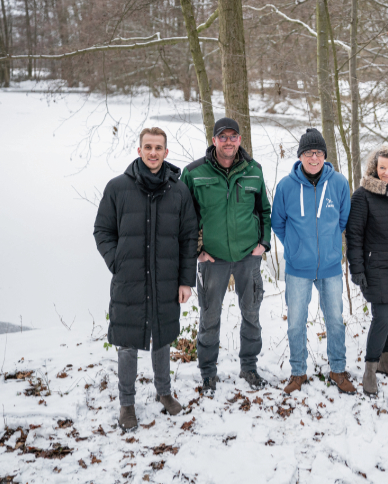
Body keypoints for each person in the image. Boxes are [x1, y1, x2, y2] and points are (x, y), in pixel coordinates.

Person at [94, 127, 198, 431]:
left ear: (166, 153)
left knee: (162, 337)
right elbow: (102, 230)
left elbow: (189, 237)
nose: (153, 152)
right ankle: (127, 403)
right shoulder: (117, 188)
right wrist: (117, 261)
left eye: (159, 148)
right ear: (139, 150)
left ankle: (164, 393)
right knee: (127, 342)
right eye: (148, 147)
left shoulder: (178, 191)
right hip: (130, 280)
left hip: (166, 279)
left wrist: (185, 280)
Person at [181, 118, 272, 391]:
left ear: (240, 140)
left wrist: (263, 244)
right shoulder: (194, 173)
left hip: (248, 257)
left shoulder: (254, 171)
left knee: (251, 313)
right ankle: (208, 372)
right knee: (209, 316)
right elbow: (183, 216)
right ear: (214, 140)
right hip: (213, 259)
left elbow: (264, 211)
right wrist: (196, 250)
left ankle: (249, 367)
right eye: (223, 137)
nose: (229, 142)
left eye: (233, 137)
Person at [271, 128, 356, 395]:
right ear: (300, 156)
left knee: (334, 320)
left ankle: (338, 370)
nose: (314, 157)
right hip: (298, 268)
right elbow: (278, 222)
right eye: (308, 152)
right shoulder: (286, 186)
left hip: (330, 267)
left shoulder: (339, 183)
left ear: (324, 155)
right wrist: (295, 248)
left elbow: (343, 220)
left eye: (318, 152)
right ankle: (298, 373)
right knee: (296, 321)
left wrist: (331, 246)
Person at [346, 145, 388, 396]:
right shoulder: (362, 196)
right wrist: (357, 269)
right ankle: (369, 370)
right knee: (382, 318)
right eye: (382, 167)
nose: (387, 172)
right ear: (374, 168)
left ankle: (385, 362)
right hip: (376, 268)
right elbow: (354, 236)